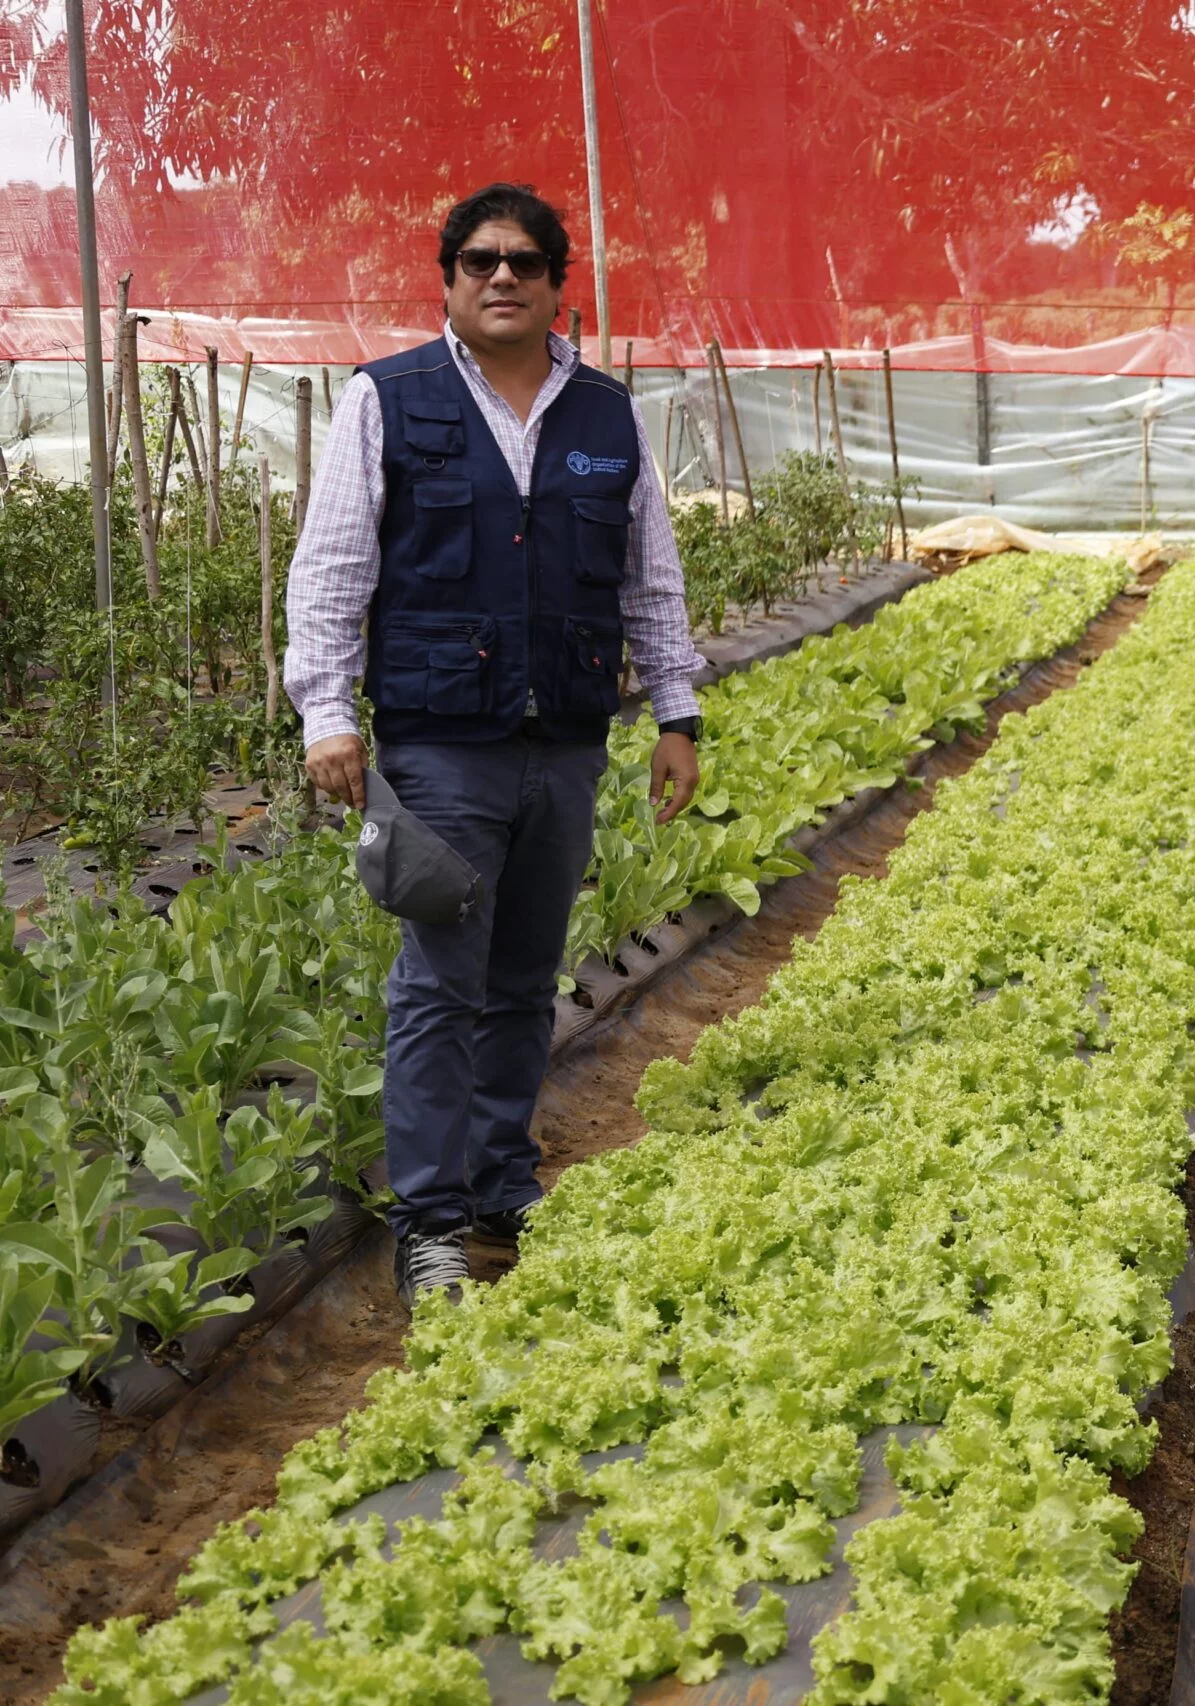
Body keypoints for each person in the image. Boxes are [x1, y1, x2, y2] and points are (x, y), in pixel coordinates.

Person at [285, 183, 707, 1309]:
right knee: (437, 984)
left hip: (564, 743)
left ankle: (500, 1190)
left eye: (525, 260)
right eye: (480, 260)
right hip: (440, 750)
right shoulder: (389, 399)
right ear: (450, 281)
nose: (503, 276)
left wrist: (678, 712)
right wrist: (327, 713)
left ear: (560, 284)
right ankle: (428, 1220)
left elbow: (648, 577)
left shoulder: (609, 415)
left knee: (524, 980)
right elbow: (331, 571)